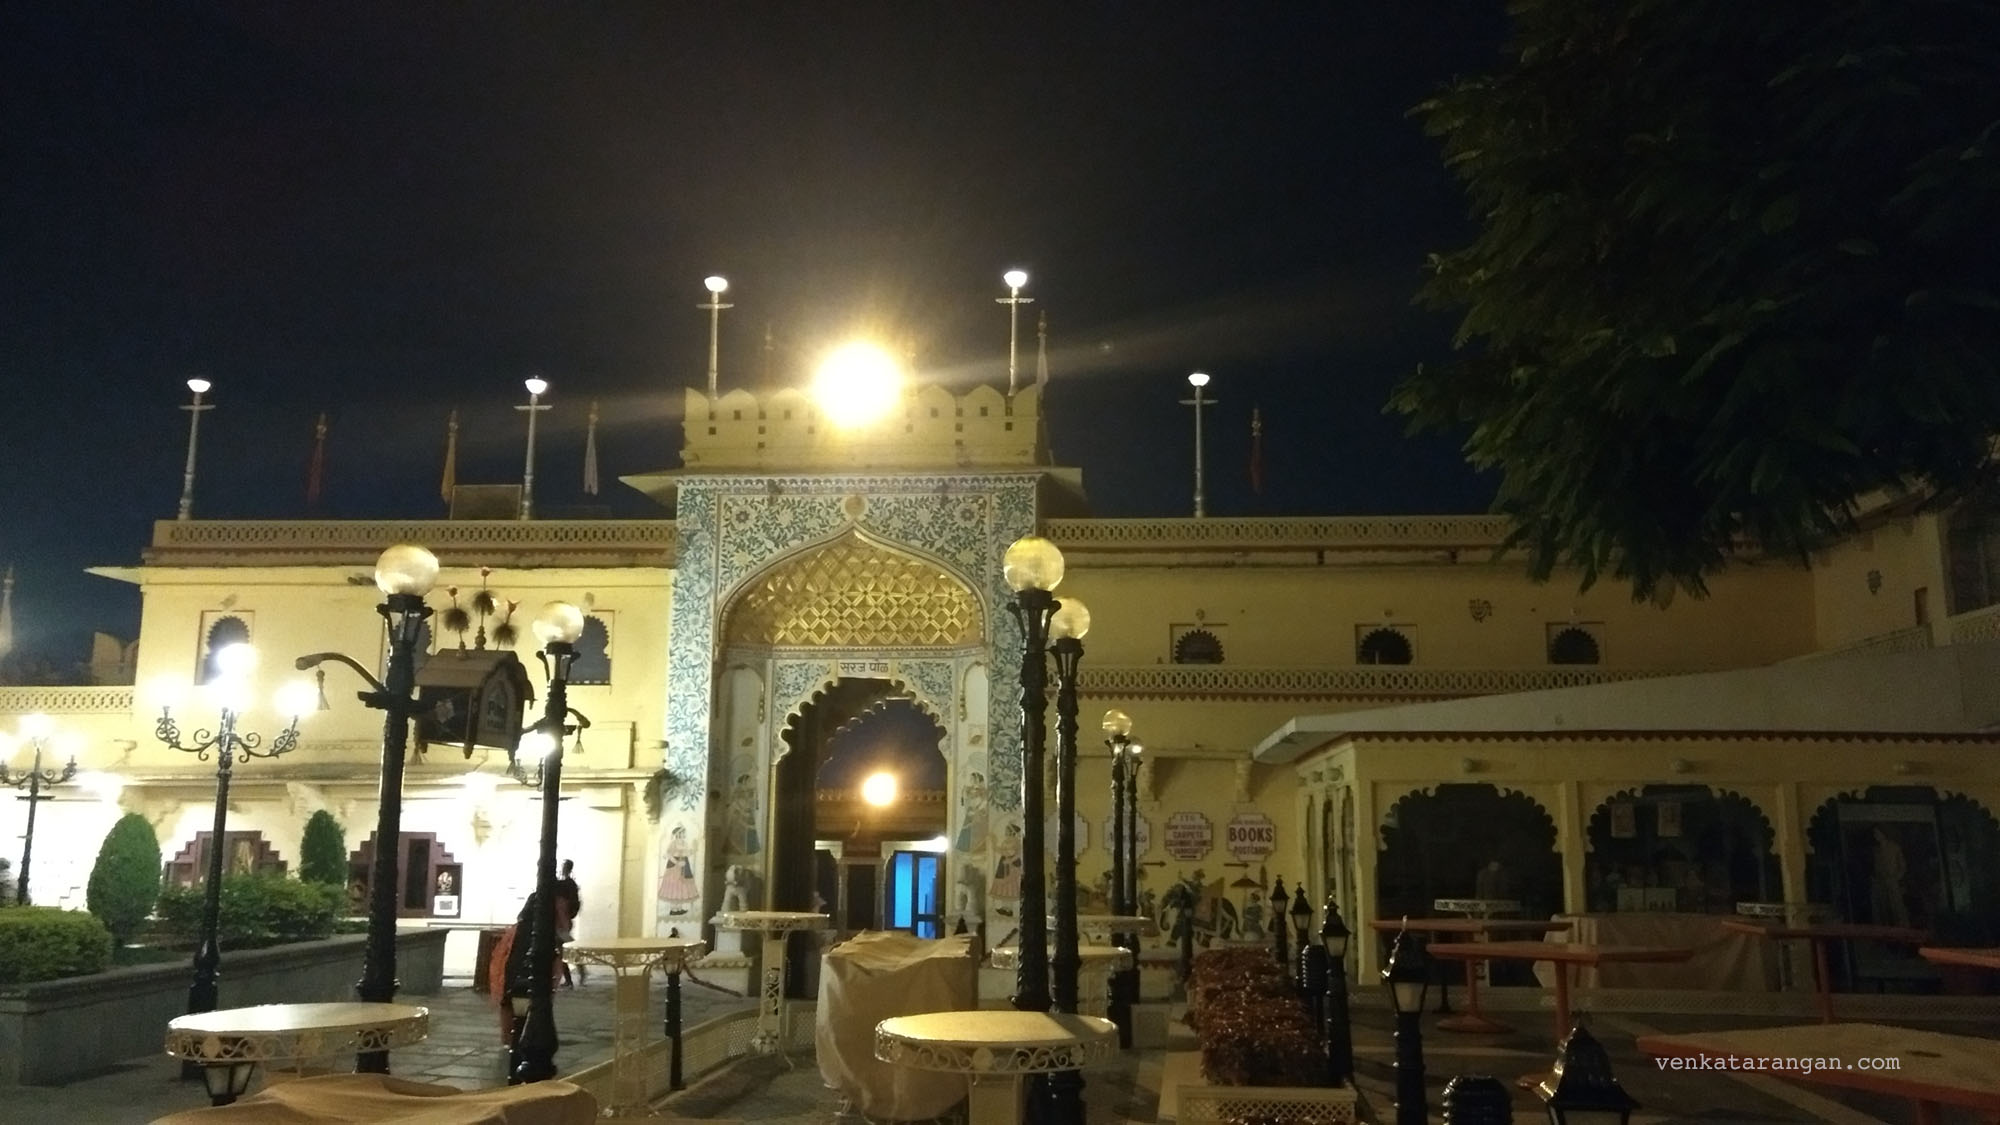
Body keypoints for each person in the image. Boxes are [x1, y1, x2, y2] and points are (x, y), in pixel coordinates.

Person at [490, 890, 574, 1045]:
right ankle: (524, 1039)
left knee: (509, 998)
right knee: (535, 1001)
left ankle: (508, 1040)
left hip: (515, 953)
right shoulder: (558, 901)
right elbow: (564, 930)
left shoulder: (531, 908)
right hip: (536, 958)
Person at [555, 859, 582, 987]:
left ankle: (572, 977)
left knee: (563, 950)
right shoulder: (569, 884)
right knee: (564, 949)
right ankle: (576, 973)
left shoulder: (566, 884)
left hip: (562, 921)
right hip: (564, 921)